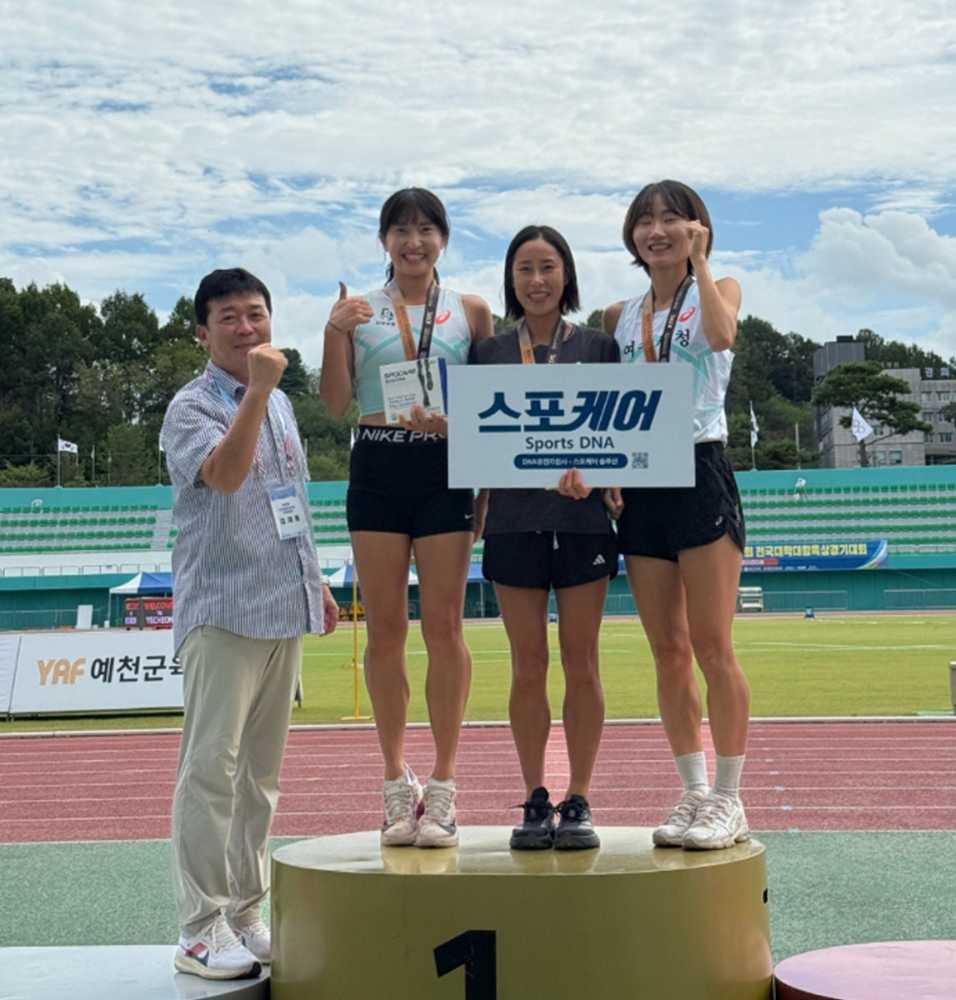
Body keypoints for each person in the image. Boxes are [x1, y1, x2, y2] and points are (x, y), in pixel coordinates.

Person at [161, 267, 339, 979]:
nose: (246, 328)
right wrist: (258, 392)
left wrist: (316, 578)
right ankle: (200, 926)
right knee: (211, 771)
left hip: (281, 606)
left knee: (260, 778)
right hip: (224, 609)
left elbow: (286, 499)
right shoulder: (191, 407)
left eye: (256, 313)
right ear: (203, 333)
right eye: (229, 317)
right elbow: (227, 477)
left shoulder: (286, 409)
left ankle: (244, 912)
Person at [319, 188, 493, 848]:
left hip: (445, 468)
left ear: (443, 239)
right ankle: (396, 783)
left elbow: (488, 404)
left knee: (445, 628)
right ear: (384, 240)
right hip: (378, 465)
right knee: (386, 631)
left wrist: (484, 492)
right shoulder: (355, 310)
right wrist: (336, 330)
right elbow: (336, 403)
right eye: (400, 230)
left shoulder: (470, 312)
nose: (413, 241)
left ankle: (444, 788)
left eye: (426, 229)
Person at [589, 179, 750, 850]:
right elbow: (609, 403)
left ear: (696, 227)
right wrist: (605, 469)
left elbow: (720, 336)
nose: (658, 231)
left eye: (672, 220)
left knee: (713, 645)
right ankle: (691, 790)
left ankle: (730, 798)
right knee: (668, 649)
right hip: (641, 485)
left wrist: (703, 263)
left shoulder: (721, 288)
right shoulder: (618, 315)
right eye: (645, 221)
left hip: (700, 469)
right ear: (631, 236)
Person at [471, 225, 619, 850]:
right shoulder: (490, 353)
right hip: (512, 520)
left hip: (583, 520)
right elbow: (480, 439)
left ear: (567, 275)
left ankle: (578, 796)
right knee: (527, 663)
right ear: (511, 278)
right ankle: (535, 796)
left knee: (581, 660)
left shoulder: (599, 346)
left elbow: (620, 436)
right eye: (525, 268)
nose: (536, 280)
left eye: (548, 267)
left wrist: (602, 476)